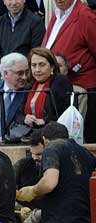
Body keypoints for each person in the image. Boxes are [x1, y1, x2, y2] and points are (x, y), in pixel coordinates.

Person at [42, 0, 96, 143]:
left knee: (73, 133)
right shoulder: (57, 14)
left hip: (78, 84)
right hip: (54, 83)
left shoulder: (85, 16)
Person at [0, 0, 45, 82]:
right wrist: (1, 75)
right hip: (2, 78)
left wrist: (21, 75)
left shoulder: (36, 22)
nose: (13, 3)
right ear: (4, 1)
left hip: (25, 79)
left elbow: (37, 54)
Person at [23, 47, 71, 129]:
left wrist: (45, 120)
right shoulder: (30, 85)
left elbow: (64, 112)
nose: (37, 70)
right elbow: (18, 113)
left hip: (53, 132)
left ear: (52, 67)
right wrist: (25, 119)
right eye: (34, 65)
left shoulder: (60, 81)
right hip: (30, 131)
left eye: (42, 65)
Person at [54, 52, 87, 118]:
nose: (56, 69)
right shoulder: (40, 88)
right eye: (53, 65)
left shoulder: (80, 92)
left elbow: (78, 121)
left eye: (59, 66)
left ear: (66, 71)